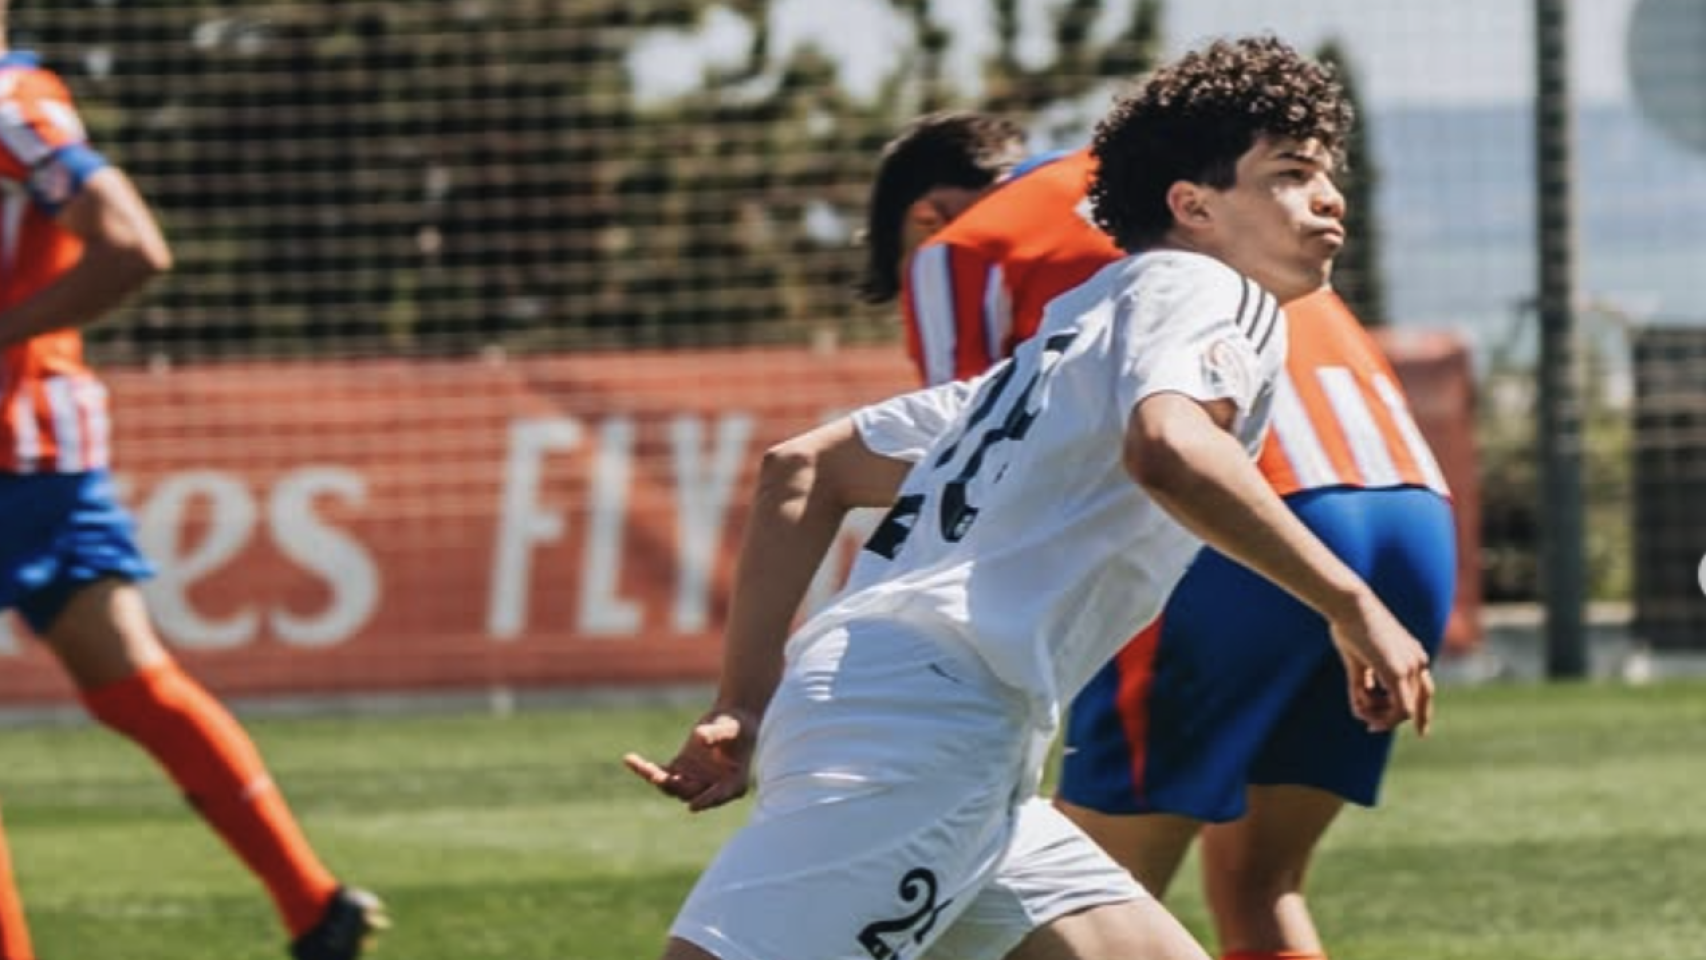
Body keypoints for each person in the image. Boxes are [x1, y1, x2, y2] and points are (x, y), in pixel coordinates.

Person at [624, 36, 1435, 960]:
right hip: (927, 733)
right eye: (1292, 172)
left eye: (1328, 173)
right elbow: (1169, 446)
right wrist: (1353, 603)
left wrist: (748, 699)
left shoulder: (1070, 336)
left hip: (935, 725)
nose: (1330, 197)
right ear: (1194, 206)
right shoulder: (1210, 286)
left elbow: (805, 469)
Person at [861, 109, 1456, 960]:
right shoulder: (1216, 185)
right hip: (1407, 504)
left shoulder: (960, 245)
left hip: (1239, 524)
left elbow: (984, 468)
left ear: (924, 217)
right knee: (1262, 881)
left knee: (1072, 905)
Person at [0, 15, 385, 960]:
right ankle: (313, 905)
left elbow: (132, 246)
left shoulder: (11, 110)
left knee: (133, 683)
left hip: (19, 444)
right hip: (44, 453)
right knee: (130, 683)